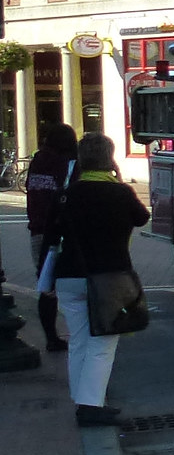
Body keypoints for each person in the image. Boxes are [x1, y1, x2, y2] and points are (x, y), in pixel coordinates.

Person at [49, 133, 150, 427]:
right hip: (108, 277)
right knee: (102, 344)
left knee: (78, 341)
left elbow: (51, 236)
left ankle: (82, 400)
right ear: (110, 158)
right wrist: (118, 180)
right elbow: (142, 218)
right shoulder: (119, 193)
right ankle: (91, 405)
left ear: (81, 160)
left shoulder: (67, 194)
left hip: (69, 276)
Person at [25, 123, 78, 352]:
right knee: (76, 283)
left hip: (38, 230)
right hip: (61, 232)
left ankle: (50, 336)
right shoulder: (65, 164)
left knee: (47, 286)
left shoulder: (37, 162)